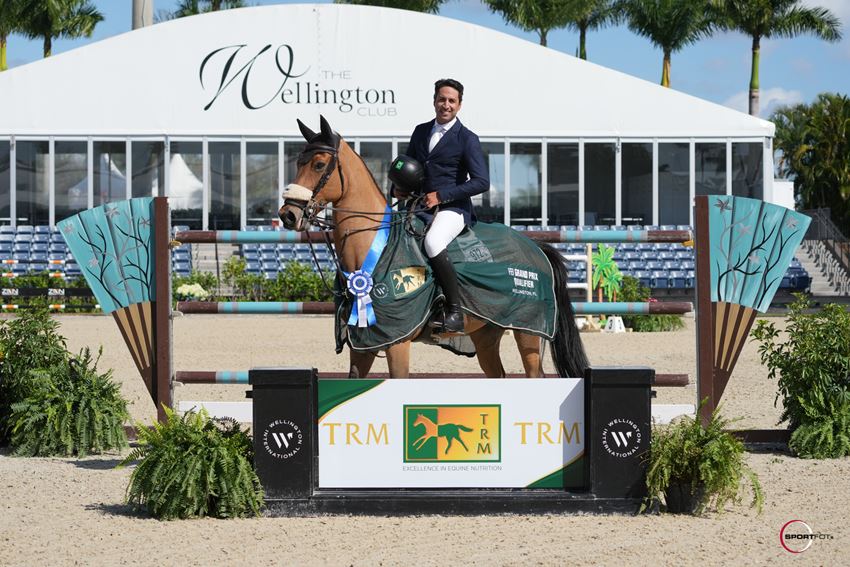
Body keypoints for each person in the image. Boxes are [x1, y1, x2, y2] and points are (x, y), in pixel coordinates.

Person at [394, 78, 489, 333]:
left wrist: (442, 196)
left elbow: (482, 182)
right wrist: (400, 189)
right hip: (420, 205)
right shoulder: (421, 131)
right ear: (434, 100)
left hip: (453, 208)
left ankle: (455, 311)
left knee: (433, 242)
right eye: (442, 99)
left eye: (451, 101)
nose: (445, 105)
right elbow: (410, 169)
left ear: (459, 105)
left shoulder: (467, 138)